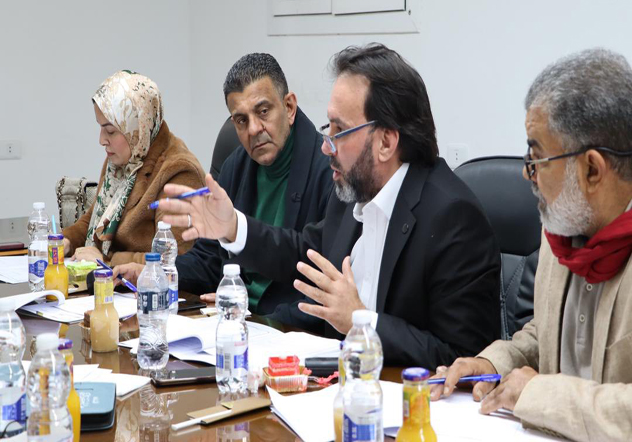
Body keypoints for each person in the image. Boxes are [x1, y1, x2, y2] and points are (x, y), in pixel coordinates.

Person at [158, 43, 501, 368]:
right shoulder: (354, 194)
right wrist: (233, 227)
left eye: (340, 130)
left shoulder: (452, 217)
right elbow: (303, 253)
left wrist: (360, 322)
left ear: (386, 142)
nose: (326, 146)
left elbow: (465, 358)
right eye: (328, 127)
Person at [432, 48, 632, 441]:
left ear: (592, 169)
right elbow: (549, 335)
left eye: (538, 158)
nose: (529, 174)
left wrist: (539, 394)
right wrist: (493, 362)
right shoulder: (562, 222)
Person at [114, 53, 333, 315]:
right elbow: (208, 260)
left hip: (285, 325)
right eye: (241, 120)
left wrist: (254, 316)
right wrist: (155, 274)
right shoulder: (236, 165)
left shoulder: (329, 169)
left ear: (289, 107)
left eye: (263, 112)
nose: (253, 129)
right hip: (231, 319)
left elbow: (315, 268)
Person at [62, 70, 206, 266]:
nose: (101, 140)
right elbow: (96, 219)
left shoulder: (178, 171)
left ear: (138, 126)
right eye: (100, 127)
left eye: (110, 131)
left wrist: (107, 261)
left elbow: (174, 260)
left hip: (145, 283)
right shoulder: (122, 160)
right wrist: (67, 240)